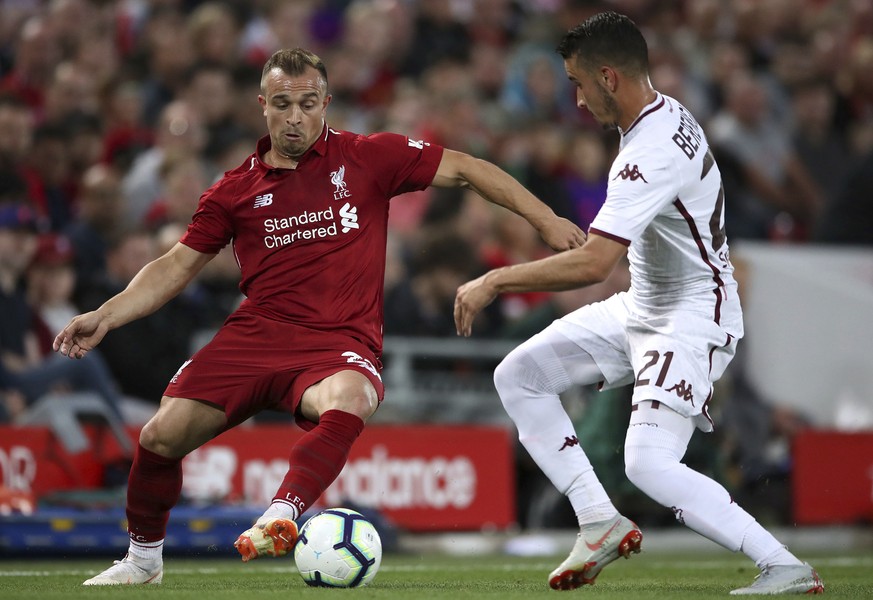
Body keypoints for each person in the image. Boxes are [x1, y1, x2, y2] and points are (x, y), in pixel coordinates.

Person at [53, 47, 583, 586]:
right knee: (160, 436)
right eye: (282, 103)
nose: (295, 116)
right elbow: (174, 267)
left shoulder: (368, 156)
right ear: (263, 105)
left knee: (351, 397)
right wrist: (107, 314)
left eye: (308, 103)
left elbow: (467, 169)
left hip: (337, 342)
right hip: (256, 337)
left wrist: (546, 220)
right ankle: (143, 562)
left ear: (325, 103)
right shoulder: (233, 191)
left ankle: (283, 512)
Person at [453, 13, 823, 596]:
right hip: (644, 305)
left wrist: (497, 280)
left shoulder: (646, 150)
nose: (576, 100)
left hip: (692, 316)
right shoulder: (668, 112)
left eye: (578, 83)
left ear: (608, 77)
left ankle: (783, 565)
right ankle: (599, 521)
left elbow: (595, 263)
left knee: (648, 464)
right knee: (520, 376)